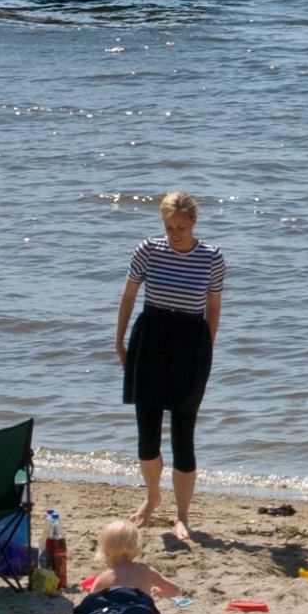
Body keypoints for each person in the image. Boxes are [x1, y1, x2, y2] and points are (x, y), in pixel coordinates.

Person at [111, 192, 222, 527]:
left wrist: (206, 348)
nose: (175, 233)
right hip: (151, 337)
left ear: (193, 222)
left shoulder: (211, 258)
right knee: (147, 435)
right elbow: (129, 295)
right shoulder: (148, 249)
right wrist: (119, 340)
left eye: (181, 226)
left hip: (191, 341)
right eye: (169, 226)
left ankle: (182, 516)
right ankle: (152, 496)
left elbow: (213, 307)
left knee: (182, 436)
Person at [76, 521, 231, 614]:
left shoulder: (103, 578)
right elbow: (174, 590)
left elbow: (88, 608)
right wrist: (160, 591)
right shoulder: (147, 572)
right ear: (136, 549)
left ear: (106, 551)